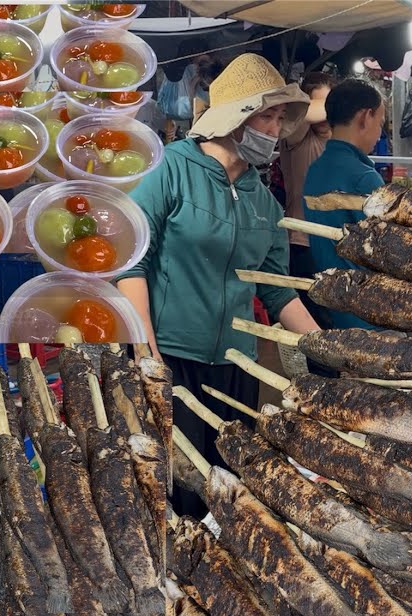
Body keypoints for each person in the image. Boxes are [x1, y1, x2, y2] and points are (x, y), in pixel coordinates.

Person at [115, 53, 322, 518]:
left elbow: (277, 290)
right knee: (176, 490)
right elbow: (132, 262)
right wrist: (146, 352)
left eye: (278, 118)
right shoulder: (170, 169)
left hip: (238, 366)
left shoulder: (263, 201)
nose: (273, 130)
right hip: (173, 358)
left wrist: (325, 348)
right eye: (264, 116)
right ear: (236, 117)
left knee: (230, 488)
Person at [302, 79, 387, 329]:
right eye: (380, 122)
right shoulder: (363, 177)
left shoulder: (315, 170)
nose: (379, 132)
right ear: (365, 117)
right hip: (369, 314)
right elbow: (391, 250)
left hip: (331, 304)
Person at [277, 72, 334, 324]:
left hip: (334, 242)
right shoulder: (296, 135)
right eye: (321, 104)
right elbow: (304, 113)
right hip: (304, 243)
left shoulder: (336, 140)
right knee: (315, 318)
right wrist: (341, 104)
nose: (326, 115)